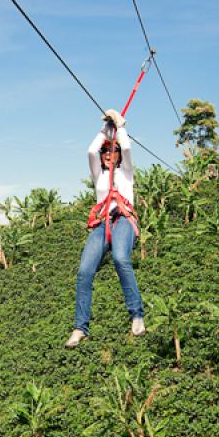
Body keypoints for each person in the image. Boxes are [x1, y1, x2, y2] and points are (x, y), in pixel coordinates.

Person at [65, 109, 145, 348]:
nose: (109, 154)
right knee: (84, 271)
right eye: (106, 152)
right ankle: (80, 327)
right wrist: (105, 130)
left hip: (122, 220)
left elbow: (128, 149)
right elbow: (91, 150)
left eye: (114, 151)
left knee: (121, 259)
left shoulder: (126, 173)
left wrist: (120, 127)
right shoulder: (98, 175)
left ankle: (137, 315)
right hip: (102, 224)